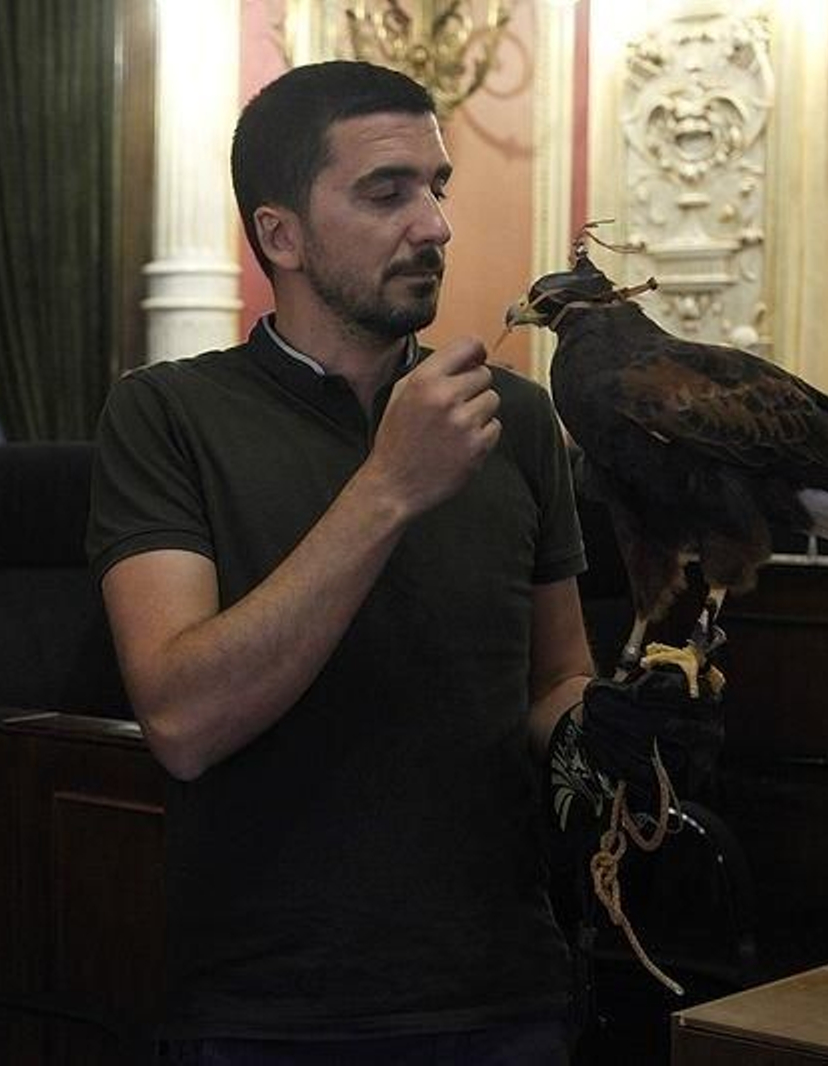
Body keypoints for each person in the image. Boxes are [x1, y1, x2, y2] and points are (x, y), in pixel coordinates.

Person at [87, 61, 718, 1063]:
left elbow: (553, 674)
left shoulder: (511, 415)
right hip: (269, 1010)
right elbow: (183, 719)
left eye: (437, 187)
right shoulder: (166, 414)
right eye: (386, 192)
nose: (432, 224)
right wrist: (389, 486)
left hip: (504, 991)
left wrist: (610, 736)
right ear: (279, 234)